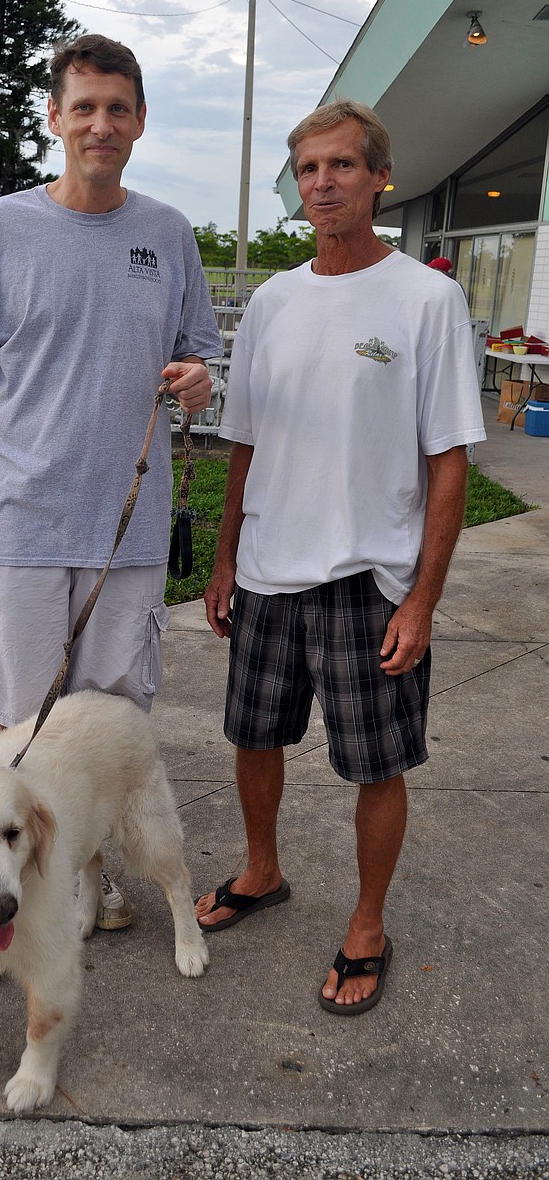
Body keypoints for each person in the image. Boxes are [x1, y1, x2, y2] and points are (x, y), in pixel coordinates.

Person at [195, 99, 485, 1014]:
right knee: (253, 738)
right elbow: (244, 441)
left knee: (376, 764)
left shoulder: (426, 299)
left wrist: (424, 598)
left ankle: (367, 922)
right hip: (270, 573)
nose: (324, 182)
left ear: (379, 178)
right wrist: (224, 557)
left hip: (370, 578)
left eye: (343, 166)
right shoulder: (276, 300)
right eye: (310, 169)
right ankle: (262, 868)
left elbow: (449, 462)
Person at [0, 33, 221, 930]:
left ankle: (96, 874)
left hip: (126, 535)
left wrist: (199, 380)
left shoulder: (167, 234)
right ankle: (7, 887)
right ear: (55, 117)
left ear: (139, 122)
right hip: (20, 524)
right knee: (17, 726)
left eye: (118, 108)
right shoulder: (1, 227)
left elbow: (200, 356)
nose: (101, 123)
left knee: (107, 724)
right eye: (83, 106)